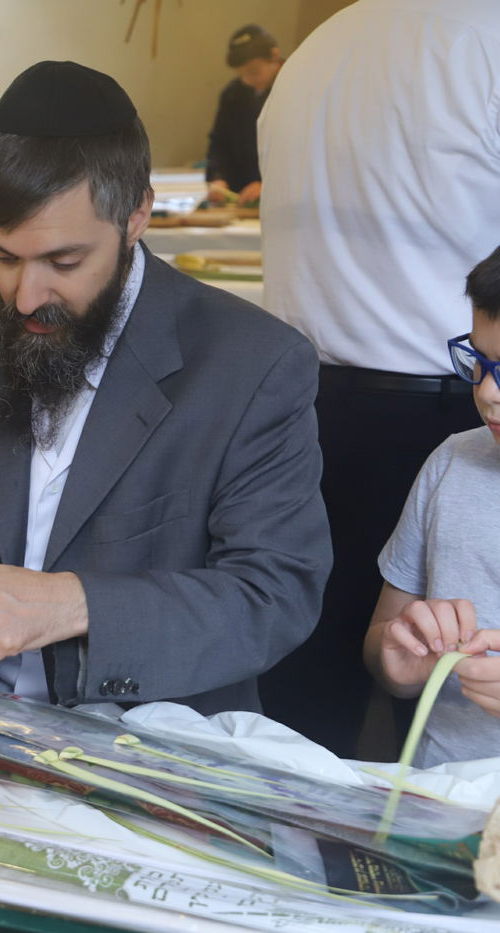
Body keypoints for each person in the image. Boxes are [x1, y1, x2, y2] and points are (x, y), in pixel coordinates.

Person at [0, 61, 330, 715]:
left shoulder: (253, 363)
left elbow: (273, 595)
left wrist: (71, 603)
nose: (25, 296)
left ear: (136, 216)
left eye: (64, 262)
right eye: (1, 256)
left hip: (150, 741)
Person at [256, 0, 500, 756]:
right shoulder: (487, 38)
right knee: (428, 669)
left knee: (311, 692)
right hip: (451, 405)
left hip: (311, 405)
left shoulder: (314, 50)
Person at [364, 245, 500, 766]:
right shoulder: (451, 464)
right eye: (479, 361)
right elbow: (382, 643)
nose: (487, 392)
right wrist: (395, 662)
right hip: (437, 801)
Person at [204, 24, 282, 206]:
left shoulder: (296, 88)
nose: (248, 80)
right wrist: (218, 178)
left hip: (281, 197)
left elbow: (301, 151)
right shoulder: (233, 95)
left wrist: (269, 184)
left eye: (254, 72)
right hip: (240, 195)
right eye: (242, 74)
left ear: (274, 56)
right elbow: (219, 142)